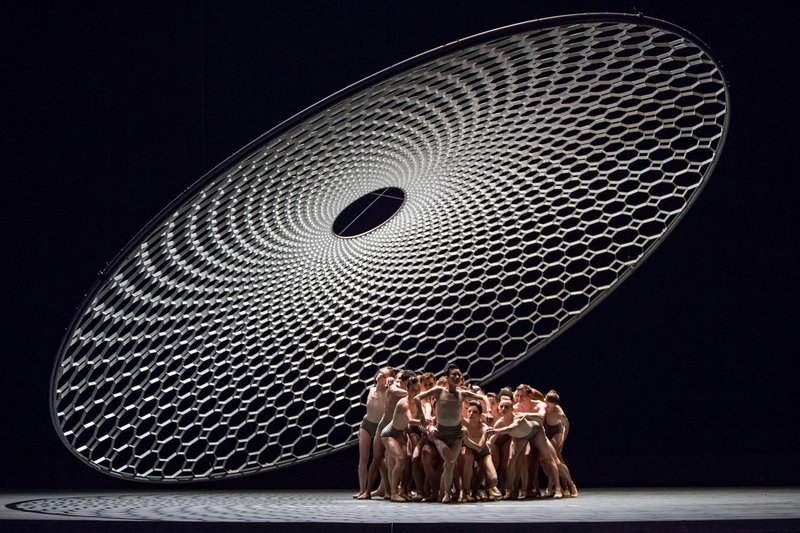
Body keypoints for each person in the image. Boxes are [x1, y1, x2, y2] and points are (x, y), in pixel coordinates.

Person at [415, 364, 488, 503]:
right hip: (440, 435)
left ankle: (444, 494)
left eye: (459, 374)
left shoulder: (462, 394)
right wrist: (422, 417)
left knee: (449, 465)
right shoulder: (438, 391)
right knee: (449, 462)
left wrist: (488, 411)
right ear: (447, 377)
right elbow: (417, 398)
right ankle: (445, 494)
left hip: (456, 435)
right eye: (454, 374)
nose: (457, 377)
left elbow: (483, 398)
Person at [381, 372, 421, 502]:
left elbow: (420, 417)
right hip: (389, 434)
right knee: (400, 459)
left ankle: (403, 491)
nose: (416, 393)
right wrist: (426, 421)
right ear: (407, 390)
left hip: (401, 433)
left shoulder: (417, 402)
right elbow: (410, 421)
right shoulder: (404, 403)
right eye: (413, 390)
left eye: (418, 390)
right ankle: (393, 493)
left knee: (408, 459)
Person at [354, 367, 392, 499]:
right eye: (380, 373)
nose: (380, 375)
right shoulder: (371, 389)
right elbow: (369, 410)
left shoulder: (389, 391)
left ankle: (387, 488)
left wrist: (392, 383)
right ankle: (362, 489)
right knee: (363, 459)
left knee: (380, 459)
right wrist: (360, 427)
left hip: (380, 426)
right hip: (366, 424)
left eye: (384, 375)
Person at [461, 400, 501, 501]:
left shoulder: (484, 428)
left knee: (493, 480)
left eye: (474, 412)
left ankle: (485, 490)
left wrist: (466, 440)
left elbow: (479, 447)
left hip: (481, 451)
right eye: (469, 411)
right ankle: (466, 493)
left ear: (480, 414)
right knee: (468, 457)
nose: (471, 414)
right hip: (468, 450)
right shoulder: (463, 422)